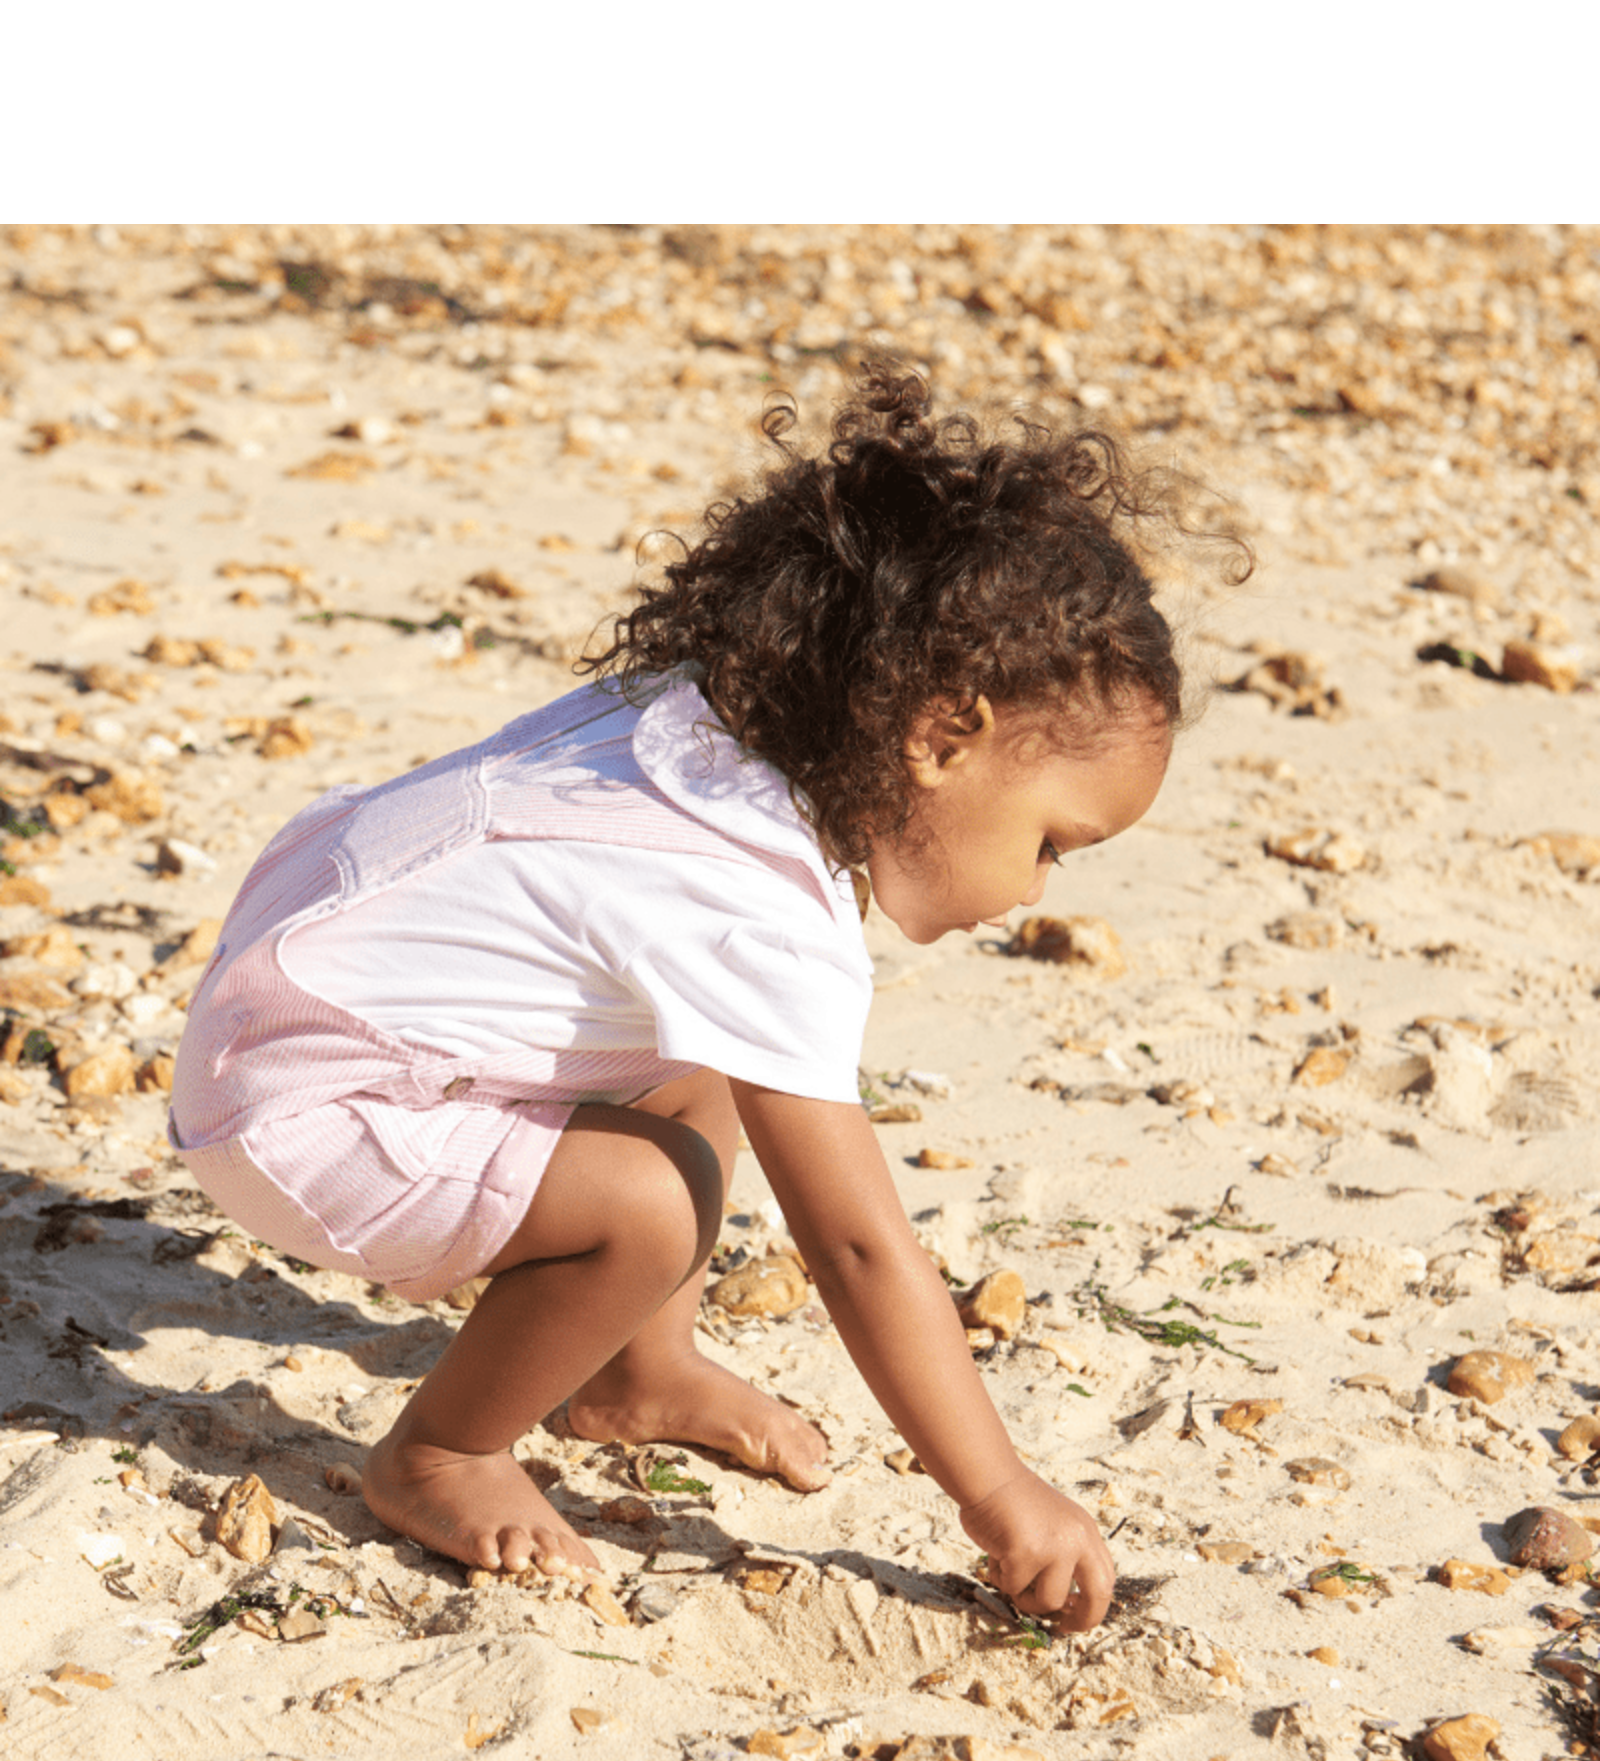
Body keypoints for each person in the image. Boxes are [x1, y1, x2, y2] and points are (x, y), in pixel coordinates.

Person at [168, 358, 1249, 1635]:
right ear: (941, 736)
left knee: (706, 1063)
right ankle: (442, 1449)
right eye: (1051, 842)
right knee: (654, 1199)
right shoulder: (748, 902)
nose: (1034, 890)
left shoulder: (713, 726)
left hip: (303, 998)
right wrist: (1000, 1490)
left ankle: (642, 1367)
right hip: (298, 1101)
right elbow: (857, 1248)